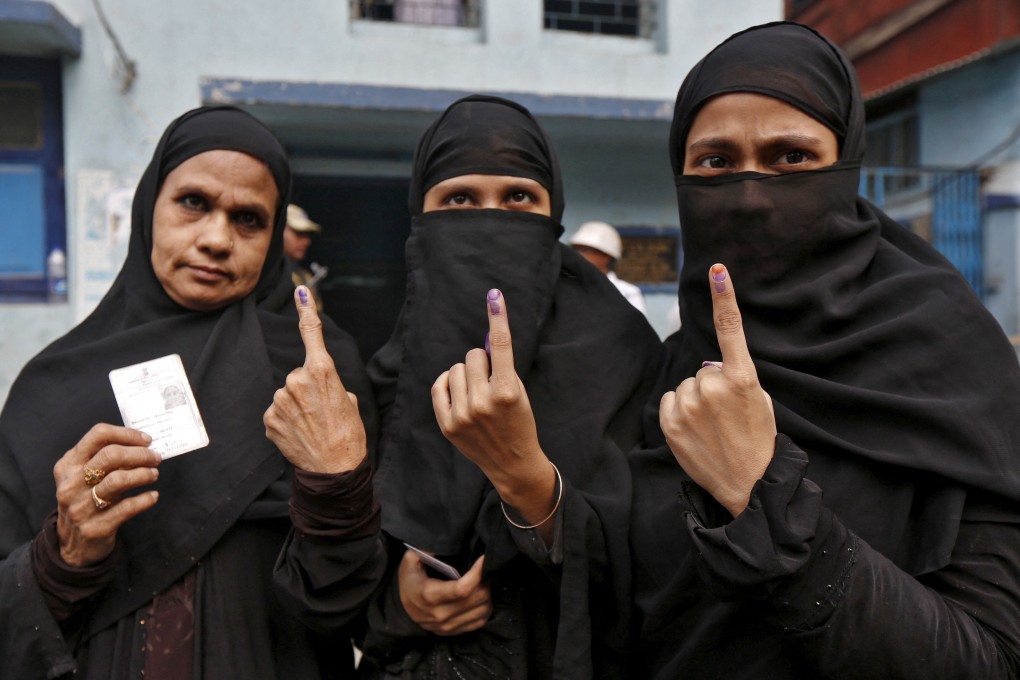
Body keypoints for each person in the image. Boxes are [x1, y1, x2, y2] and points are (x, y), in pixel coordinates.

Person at [630, 22, 1020, 678]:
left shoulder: (951, 365)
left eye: (791, 159)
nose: (751, 197)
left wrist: (766, 499)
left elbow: (992, 659)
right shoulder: (663, 379)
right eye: (717, 163)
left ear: (846, 167)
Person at [273, 94, 663, 679]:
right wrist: (400, 606)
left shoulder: (624, 355)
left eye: (519, 199)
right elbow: (323, 594)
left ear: (554, 215)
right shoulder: (383, 376)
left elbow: (656, 571)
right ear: (421, 220)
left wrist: (527, 480)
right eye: (459, 199)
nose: (492, 219)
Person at [0, 106, 378, 678]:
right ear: (150, 208)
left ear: (273, 237)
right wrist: (66, 552)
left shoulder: (317, 377)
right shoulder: (52, 385)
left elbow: (359, 600)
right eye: (194, 203)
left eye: (248, 219)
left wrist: (335, 486)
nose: (217, 239)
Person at [569, 220, 647, 314]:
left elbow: (636, 327)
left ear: (606, 255)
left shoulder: (628, 293)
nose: (578, 254)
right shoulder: (566, 287)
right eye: (576, 249)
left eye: (585, 250)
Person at [284, 203, 328, 310]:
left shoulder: (305, 277)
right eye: (299, 233)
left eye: (307, 235)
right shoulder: (260, 275)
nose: (307, 241)